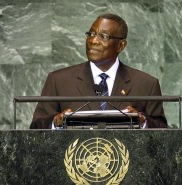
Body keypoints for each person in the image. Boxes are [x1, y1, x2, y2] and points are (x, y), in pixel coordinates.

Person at [30, 13, 167, 129]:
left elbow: (164, 133)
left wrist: (143, 122)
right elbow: (35, 128)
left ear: (121, 45)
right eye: (91, 34)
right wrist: (55, 123)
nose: (93, 41)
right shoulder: (59, 80)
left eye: (104, 36)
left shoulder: (146, 84)